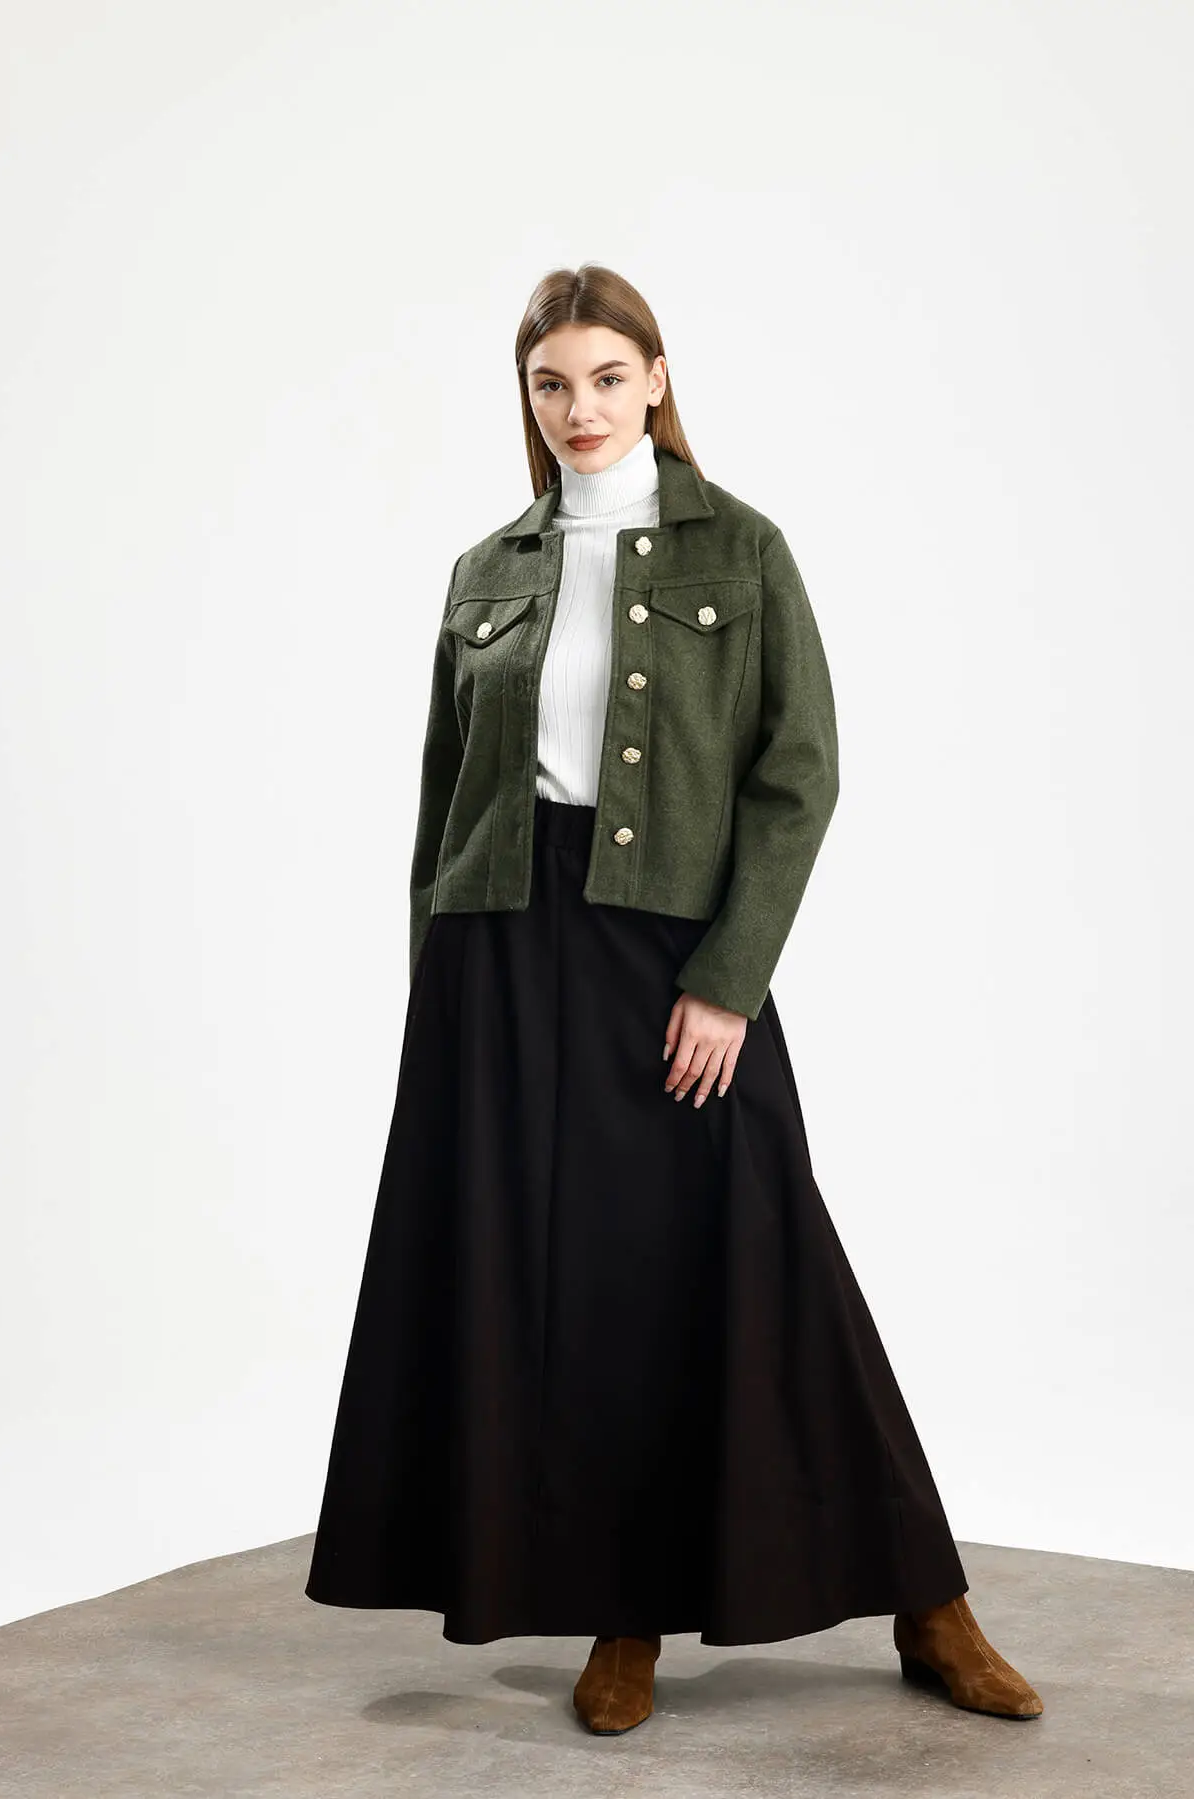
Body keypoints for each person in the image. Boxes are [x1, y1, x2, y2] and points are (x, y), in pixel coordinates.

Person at [303, 262, 1043, 1735]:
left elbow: (799, 772)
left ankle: (929, 1599)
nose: (579, 408)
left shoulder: (742, 549)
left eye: (604, 376)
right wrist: (433, 998)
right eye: (550, 383)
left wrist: (729, 980)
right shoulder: (487, 571)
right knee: (564, 1287)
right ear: (526, 396)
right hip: (501, 953)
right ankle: (622, 1611)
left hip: (669, 946)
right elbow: (442, 800)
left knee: (765, 1252)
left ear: (656, 377)